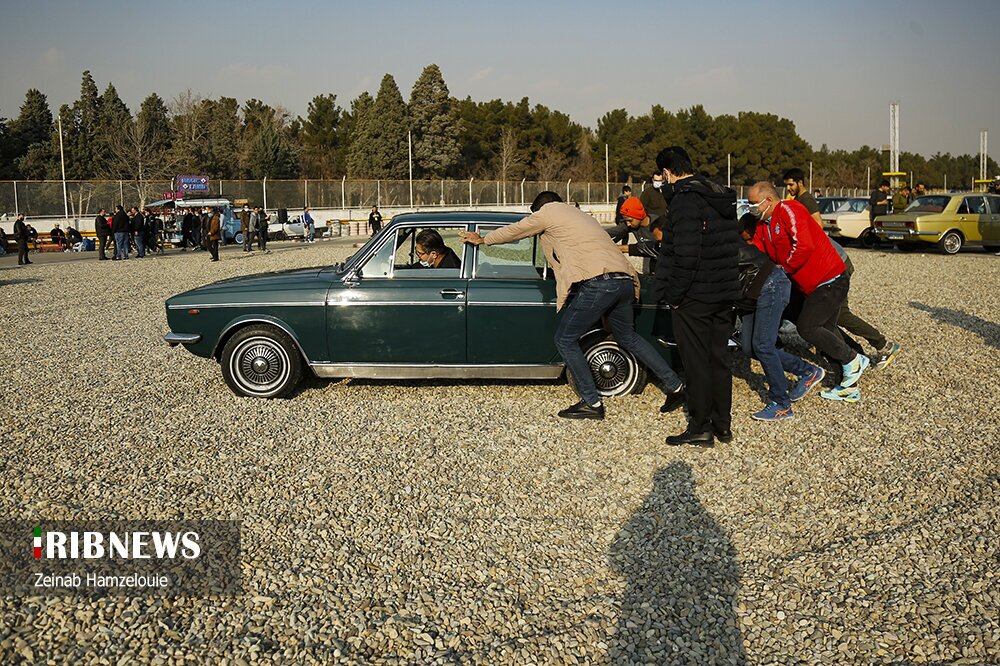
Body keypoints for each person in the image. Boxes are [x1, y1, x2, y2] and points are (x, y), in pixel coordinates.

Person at [458, 191, 685, 420]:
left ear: (540, 208)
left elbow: (517, 229)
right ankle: (675, 386)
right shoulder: (581, 216)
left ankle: (591, 402)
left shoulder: (549, 211)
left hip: (599, 283)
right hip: (625, 280)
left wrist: (484, 239)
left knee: (565, 340)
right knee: (627, 337)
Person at [748, 182, 870, 398]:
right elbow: (758, 256)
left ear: (768, 200)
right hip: (810, 286)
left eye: (753, 203)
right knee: (826, 331)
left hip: (830, 278)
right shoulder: (761, 226)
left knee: (808, 327)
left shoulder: (788, 210)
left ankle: (853, 359)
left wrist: (782, 269)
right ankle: (848, 386)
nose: (751, 208)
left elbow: (804, 245)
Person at [654, 146, 741, 446]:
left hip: (695, 295)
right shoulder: (718, 196)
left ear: (667, 172)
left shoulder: (685, 201)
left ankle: (700, 426)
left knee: (696, 362)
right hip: (723, 291)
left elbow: (686, 255)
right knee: (719, 358)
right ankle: (722, 423)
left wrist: (675, 295)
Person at [737, 214, 816, 420]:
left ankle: (781, 403)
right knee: (749, 347)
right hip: (749, 294)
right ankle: (807, 371)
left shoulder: (717, 240)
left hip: (769, 286)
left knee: (763, 345)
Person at [827, 238, 902, 369]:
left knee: (840, 314)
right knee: (831, 315)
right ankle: (856, 353)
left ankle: (884, 346)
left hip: (836, 265)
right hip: (833, 264)